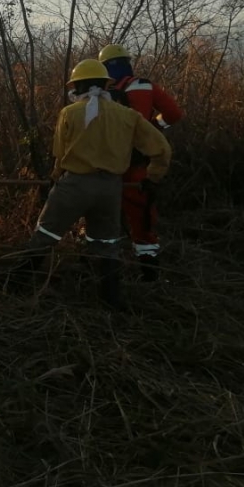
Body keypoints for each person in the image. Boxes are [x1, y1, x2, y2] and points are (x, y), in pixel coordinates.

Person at [21, 60, 172, 310]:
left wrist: (55, 177)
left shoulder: (69, 113)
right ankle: (111, 301)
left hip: (74, 186)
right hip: (110, 189)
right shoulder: (127, 115)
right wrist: (151, 178)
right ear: (106, 85)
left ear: (77, 86)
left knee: (45, 235)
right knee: (106, 245)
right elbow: (162, 149)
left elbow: (59, 152)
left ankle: (15, 284)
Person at [98, 43, 184, 281]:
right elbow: (174, 114)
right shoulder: (145, 86)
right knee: (141, 219)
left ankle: (102, 269)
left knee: (100, 216)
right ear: (128, 63)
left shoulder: (95, 90)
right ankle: (150, 275)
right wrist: (154, 127)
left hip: (104, 166)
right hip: (138, 167)